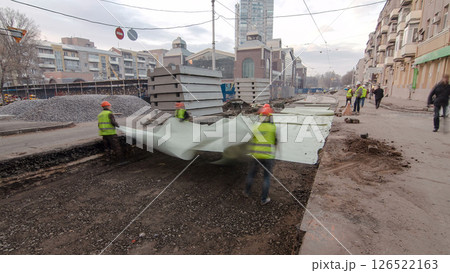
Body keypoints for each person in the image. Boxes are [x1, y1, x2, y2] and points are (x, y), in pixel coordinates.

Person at [244, 104, 277, 205]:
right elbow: (275, 142)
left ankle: (246, 192)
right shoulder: (272, 128)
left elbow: (252, 141)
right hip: (268, 156)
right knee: (266, 178)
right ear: (270, 116)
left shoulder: (255, 127)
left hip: (256, 156)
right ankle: (263, 199)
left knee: (251, 174)